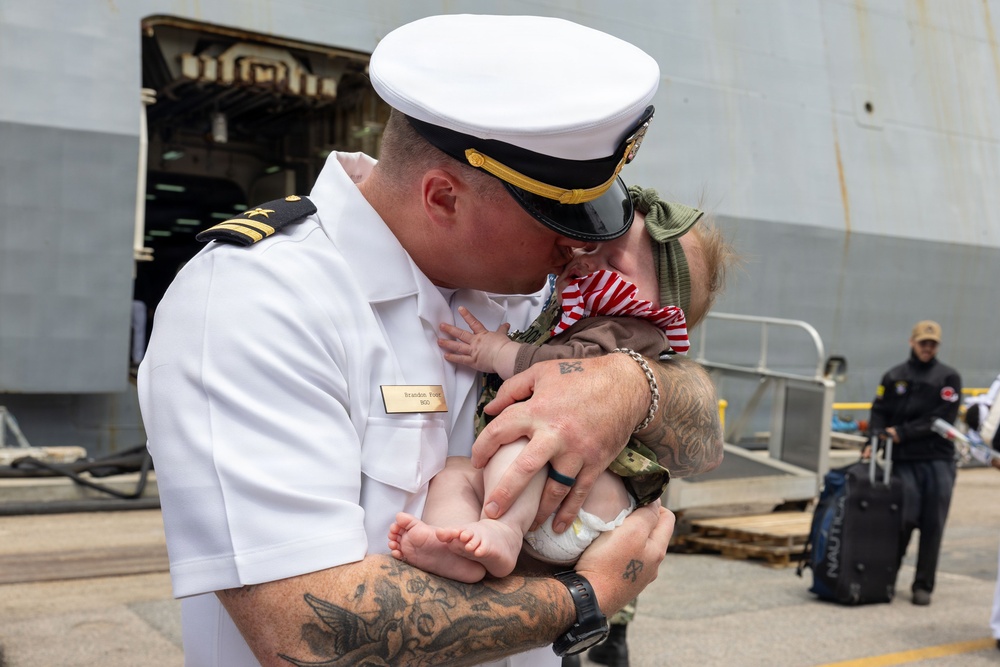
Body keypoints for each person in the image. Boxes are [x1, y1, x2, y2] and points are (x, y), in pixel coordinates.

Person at [137, 14, 724, 667]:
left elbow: (703, 443)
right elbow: (303, 631)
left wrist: (633, 386)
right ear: (443, 197)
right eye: (557, 218)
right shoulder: (259, 302)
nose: (583, 247)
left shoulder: (532, 289)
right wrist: (584, 598)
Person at [388, 193, 727, 584]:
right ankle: (454, 542)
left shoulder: (626, 331)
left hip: (582, 495)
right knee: (453, 474)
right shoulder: (567, 314)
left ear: (658, 305)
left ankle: (502, 530)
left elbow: (570, 374)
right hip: (543, 498)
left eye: (614, 263)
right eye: (591, 248)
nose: (585, 260)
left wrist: (500, 352)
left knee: (526, 441)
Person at [868, 319, 962, 607]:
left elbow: (942, 418)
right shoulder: (894, 376)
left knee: (933, 524)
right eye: (923, 343)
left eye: (932, 344)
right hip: (904, 460)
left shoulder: (948, 378)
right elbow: (879, 410)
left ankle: (923, 585)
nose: (927, 348)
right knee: (901, 521)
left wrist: (902, 432)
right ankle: (886, 579)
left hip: (937, 460)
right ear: (912, 342)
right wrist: (873, 440)